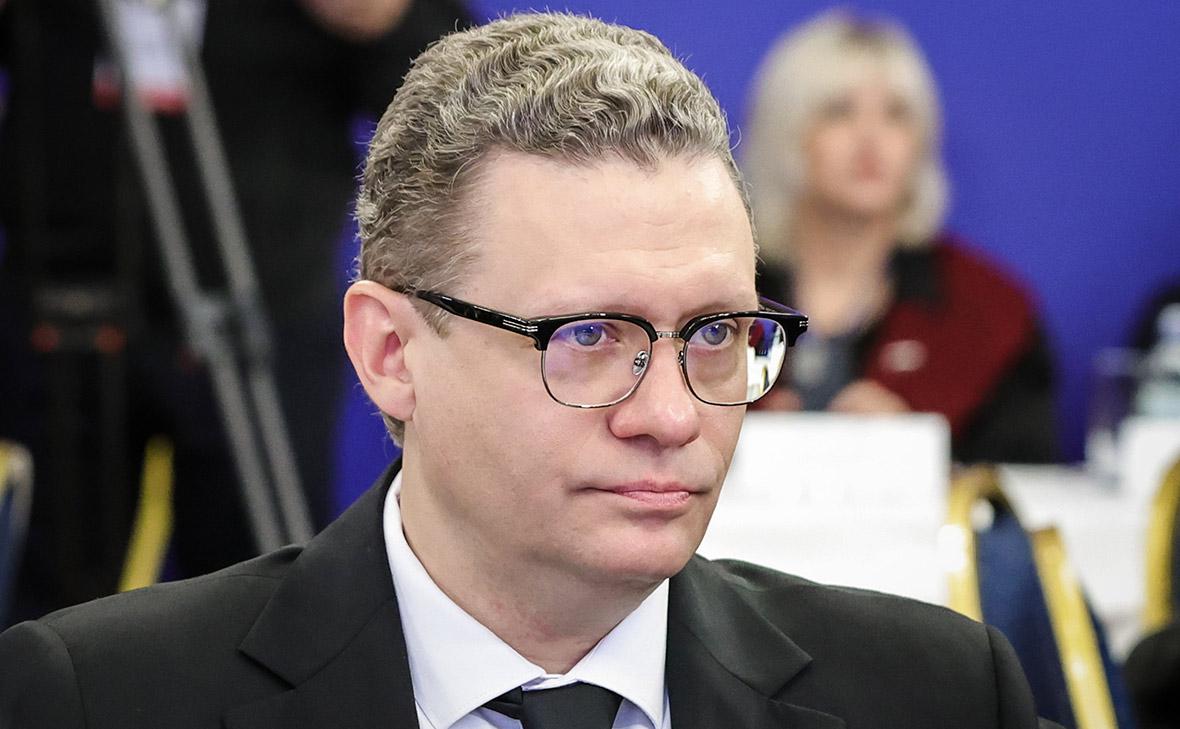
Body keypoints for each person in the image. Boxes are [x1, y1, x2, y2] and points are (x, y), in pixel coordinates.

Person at [1, 13, 1058, 728]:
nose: (669, 416)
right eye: (588, 337)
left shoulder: (937, 693)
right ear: (390, 353)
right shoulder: (101, 698)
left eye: (712, 335)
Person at [0, 0, 470, 619]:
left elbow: (447, 99)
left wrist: (376, 17)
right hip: (64, 290)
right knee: (49, 598)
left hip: (266, 299)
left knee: (263, 594)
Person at [743, 11, 1057, 463]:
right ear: (785, 134)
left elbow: (1028, 485)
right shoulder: (722, 293)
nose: (871, 140)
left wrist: (918, 454)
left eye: (896, 114)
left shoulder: (990, 310)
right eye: (839, 111)